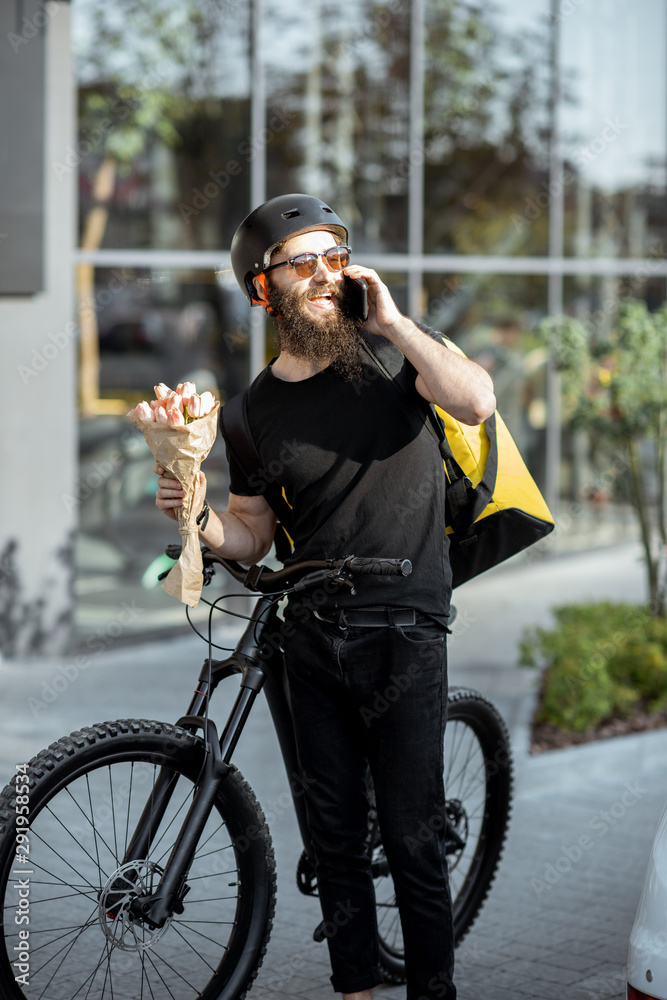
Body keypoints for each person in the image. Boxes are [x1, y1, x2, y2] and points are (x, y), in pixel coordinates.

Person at [155, 193, 496, 1000]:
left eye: (332, 257)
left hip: (404, 622)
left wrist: (394, 323)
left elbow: (476, 401)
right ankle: (353, 990)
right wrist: (195, 519)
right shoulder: (247, 415)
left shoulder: (397, 357)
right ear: (260, 288)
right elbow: (252, 533)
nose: (321, 274)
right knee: (334, 837)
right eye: (299, 261)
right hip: (309, 631)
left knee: (411, 839)